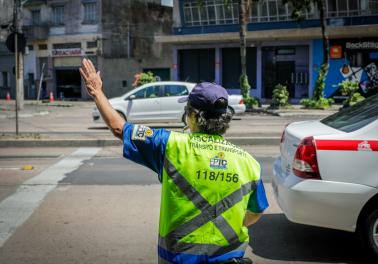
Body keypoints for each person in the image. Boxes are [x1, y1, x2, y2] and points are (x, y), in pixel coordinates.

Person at [79, 58, 268, 264]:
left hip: (179, 258)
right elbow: (256, 211)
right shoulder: (249, 162)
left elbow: (119, 128)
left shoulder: (171, 144)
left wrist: (97, 91)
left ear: (193, 116)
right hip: (230, 258)